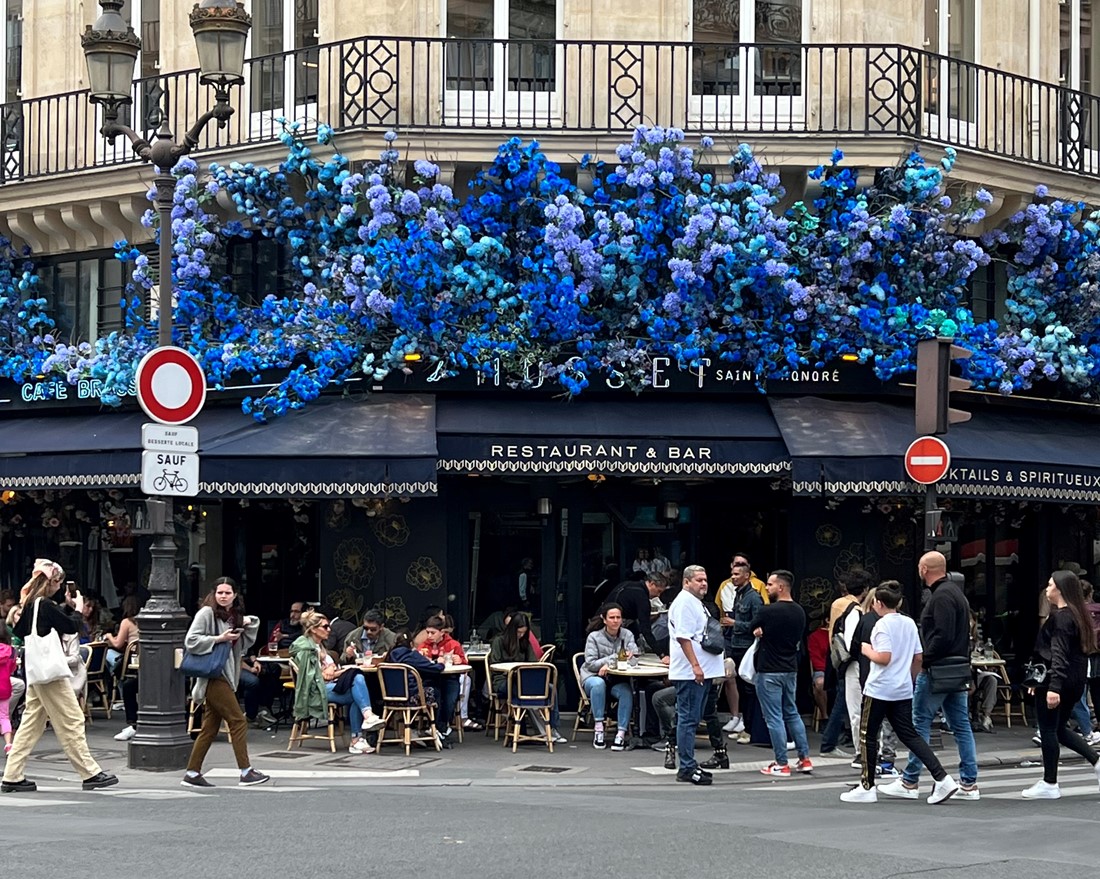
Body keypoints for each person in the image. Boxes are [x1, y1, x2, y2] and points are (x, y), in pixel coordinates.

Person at [1, 558, 118, 793]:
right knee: (72, 719)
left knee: (30, 725)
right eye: (59, 582)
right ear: (54, 581)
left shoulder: (32, 605)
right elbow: (72, 626)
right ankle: (89, 772)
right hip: (51, 674)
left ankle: (12, 775)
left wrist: (64, 608)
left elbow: (22, 629)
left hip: (37, 673)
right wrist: (76, 607)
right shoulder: (44, 604)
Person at [840, 583, 959, 804]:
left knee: (868, 735)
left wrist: (865, 649)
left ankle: (867, 785)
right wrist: (910, 680)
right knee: (909, 734)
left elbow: (884, 657)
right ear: (900, 602)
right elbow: (918, 658)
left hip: (879, 688)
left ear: (878, 603)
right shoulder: (909, 623)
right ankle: (942, 777)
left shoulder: (881, 625)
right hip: (902, 689)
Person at [882, 551, 980, 802]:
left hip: (938, 670)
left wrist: (924, 659)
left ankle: (910, 780)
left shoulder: (942, 596)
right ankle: (969, 783)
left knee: (919, 723)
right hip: (956, 669)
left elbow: (942, 635)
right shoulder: (956, 593)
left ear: (924, 569)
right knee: (960, 725)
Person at [181, 576, 269, 788]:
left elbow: (245, 645)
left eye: (227, 593)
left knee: (209, 727)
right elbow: (190, 641)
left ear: (235, 595)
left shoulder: (234, 615)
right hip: (214, 674)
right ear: (214, 594)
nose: (223, 596)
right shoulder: (206, 613)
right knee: (238, 721)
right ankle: (246, 771)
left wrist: (248, 623)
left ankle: (192, 773)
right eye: (219, 592)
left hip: (225, 673)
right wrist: (219, 639)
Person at [1020, 570, 1100, 799]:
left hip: (1059, 681)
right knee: (1059, 729)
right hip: (1074, 681)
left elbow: (1058, 654)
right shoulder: (1078, 615)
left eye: (1050, 585)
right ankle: (1096, 761)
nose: (1047, 589)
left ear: (1061, 590)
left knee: (1047, 729)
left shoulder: (1061, 617)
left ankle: (1050, 782)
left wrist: (1053, 687)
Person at [291, 610, 385, 756]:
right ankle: (360, 732)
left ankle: (364, 724)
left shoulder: (319, 646)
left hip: (329, 685)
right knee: (357, 682)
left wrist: (338, 669)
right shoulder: (306, 650)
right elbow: (314, 678)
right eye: (325, 627)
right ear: (314, 629)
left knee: (357, 680)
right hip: (316, 690)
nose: (329, 629)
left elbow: (329, 672)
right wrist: (338, 671)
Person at [752, 569, 813, 777]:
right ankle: (804, 758)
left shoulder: (767, 611)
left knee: (774, 717)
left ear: (781, 587)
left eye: (769, 584)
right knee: (792, 712)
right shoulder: (799, 611)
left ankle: (781, 762)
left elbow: (750, 627)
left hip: (769, 668)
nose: (766, 588)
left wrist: (759, 631)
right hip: (790, 668)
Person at [668, 565, 722, 785]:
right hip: (691, 673)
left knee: (692, 718)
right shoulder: (683, 603)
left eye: (705, 579)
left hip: (701, 671)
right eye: (698, 580)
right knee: (688, 720)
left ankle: (690, 764)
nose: (703, 583)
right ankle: (687, 767)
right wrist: (695, 665)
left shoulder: (695, 603)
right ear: (686, 582)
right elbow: (683, 637)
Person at [488, 612, 565, 743]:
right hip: (503, 680)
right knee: (524, 692)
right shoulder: (499, 641)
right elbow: (494, 665)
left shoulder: (525, 642)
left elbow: (533, 663)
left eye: (523, 632)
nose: (521, 635)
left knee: (550, 689)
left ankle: (552, 728)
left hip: (523, 680)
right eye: (518, 632)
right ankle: (541, 731)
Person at [580, 603, 638, 751]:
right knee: (598, 684)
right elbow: (591, 664)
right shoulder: (594, 637)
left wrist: (616, 662)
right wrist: (615, 659)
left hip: (616, 679)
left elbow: (634, 659)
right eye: (612, 617)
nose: (615, 620)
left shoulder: (627, 635)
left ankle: (621, 733)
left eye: (618, 617)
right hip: (593, 677)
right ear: (604, 619)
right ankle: (599, 728)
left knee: (626, 691)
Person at [720, 560, 764, 744]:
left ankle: (750, 729)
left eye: (737, 574)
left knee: (749, 688)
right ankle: (744, 726)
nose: (733, 577)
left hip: (747, 646)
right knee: (740, 686)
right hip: (736, 644)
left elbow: (758, 623)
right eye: (732, 573)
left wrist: (734, 623)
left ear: (747, 575)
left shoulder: (754, 597)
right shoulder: (738, 595)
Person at [416, 615, 467, 744]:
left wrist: (459, 660)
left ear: (442, 632)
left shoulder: (453, 644)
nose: (429, 636)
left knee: (450, 700)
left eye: (432, 633)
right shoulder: (423, 646)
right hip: (430, 679)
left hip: (450, 678)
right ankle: (440, 729)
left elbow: (465, 664)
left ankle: (440, 728)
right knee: (436, 697)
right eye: (427, 632)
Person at [607, 571, 668, 656]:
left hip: (603, 623)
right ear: (651, 584)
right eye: (658, 591)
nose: (658, 595)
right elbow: (645, 629)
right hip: (617, 629)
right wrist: (661, 654)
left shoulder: (626, 584)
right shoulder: (642, 598)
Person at [0, 619, 15, 754]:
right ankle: (9, 744)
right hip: (5, 687)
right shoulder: (11, 651)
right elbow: (12, 668)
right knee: (4, 717)